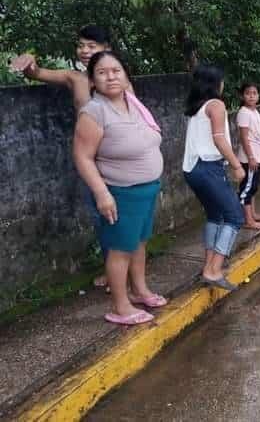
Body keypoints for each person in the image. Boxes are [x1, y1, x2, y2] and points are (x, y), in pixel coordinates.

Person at [13, 25, 115, 291]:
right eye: (81, 45)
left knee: (124, 216)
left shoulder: (118, 79)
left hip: (118, 158)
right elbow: (37, 73)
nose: (84, 51)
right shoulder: (75, 79)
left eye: (91, 46)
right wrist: (29, 66)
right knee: (100, 217)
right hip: (90, 161)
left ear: (107, 49)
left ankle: (124, 272)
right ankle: (112, 270)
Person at [73, 51, 165, 325]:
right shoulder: (94, 111)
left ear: (125, 75)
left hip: (146, 189)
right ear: (92, 80)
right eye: (102, 72)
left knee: (138, 243)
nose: (111, 76)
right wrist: (102, 193)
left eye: (116, 70)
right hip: (120, 192)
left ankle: (140, 290)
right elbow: (82, 156)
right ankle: (120, 306)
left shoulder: (132, 102)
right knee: (120, 249)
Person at [183, 64, 246, 291]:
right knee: (235, 217)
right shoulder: (216, 105)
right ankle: (213, 270)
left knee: (215, 215)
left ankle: (208, 265)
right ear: (215, 83)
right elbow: (219, 139)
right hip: (208, 167)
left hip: (192, 169)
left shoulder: (197, 108)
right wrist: (237, 166)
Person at [236, 83, 260, 230]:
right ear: (242, 96)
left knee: (253, 187)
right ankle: (248, 220)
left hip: (256, 157)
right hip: (249, 159)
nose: (251, 96)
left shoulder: (255, 112)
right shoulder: (243, 113)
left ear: (258, 96)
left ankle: (253, 214)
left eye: (254, 93)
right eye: (248, 93)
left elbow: (256, 135)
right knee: (247, 190)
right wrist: (251, 157)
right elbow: (244, 137)